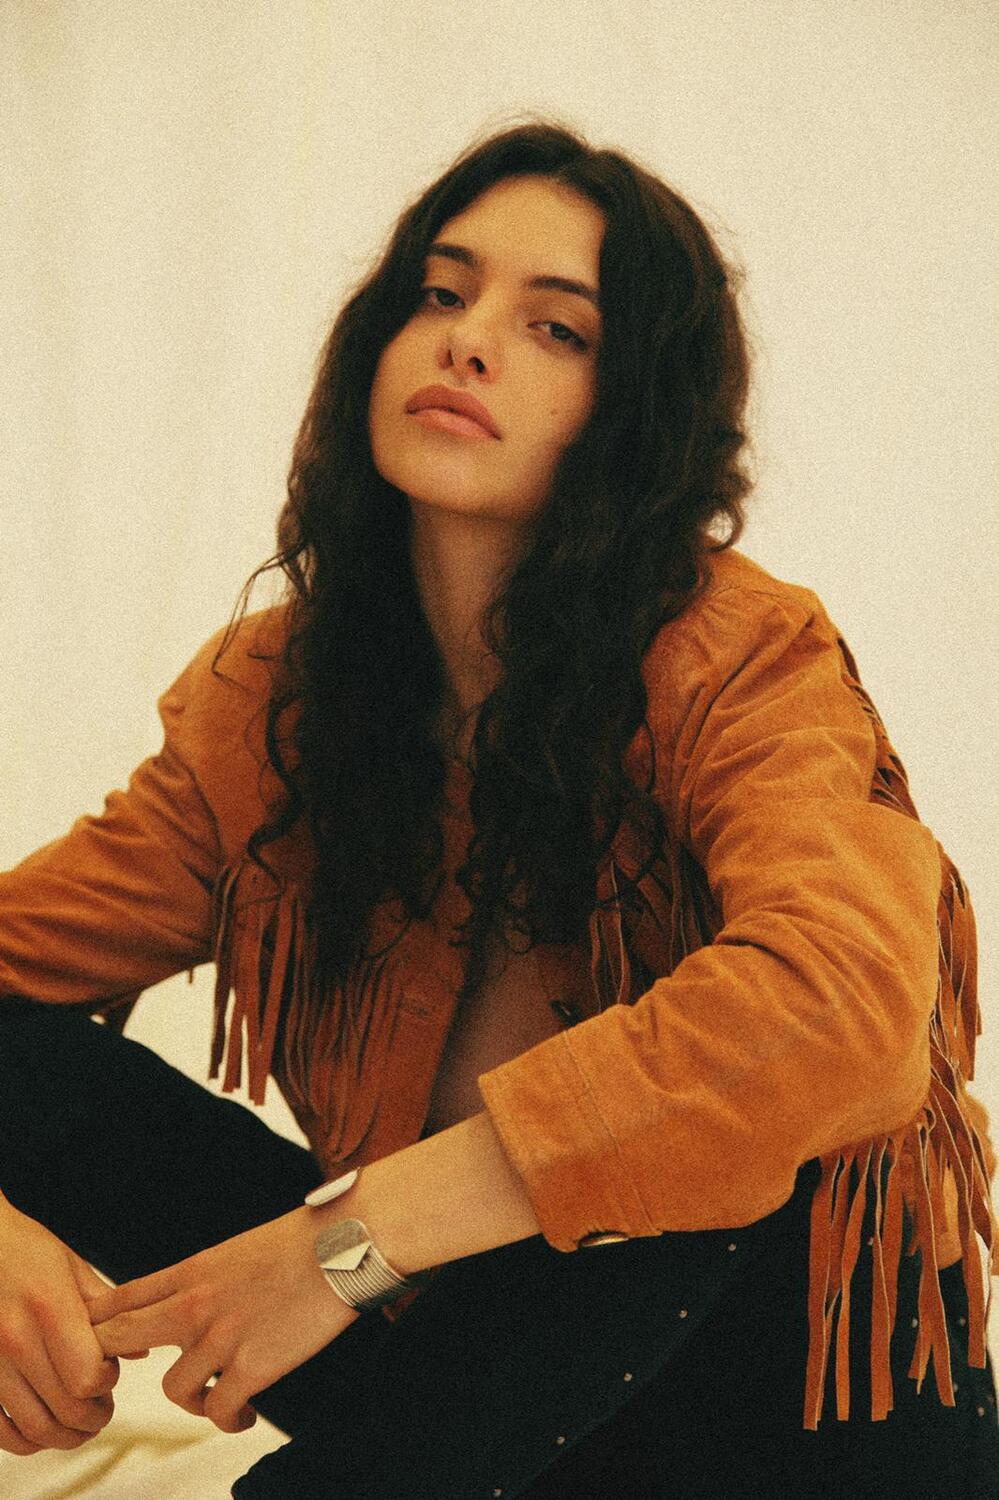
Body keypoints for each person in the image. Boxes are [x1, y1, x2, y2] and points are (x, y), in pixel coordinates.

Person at [0, 118, 996, 1499]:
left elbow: (845, 1006)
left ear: (634, 409)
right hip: (464, 1382)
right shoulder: (274, 700)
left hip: (792, 1422)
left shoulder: (742, 659)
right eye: (441, 293)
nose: (469, 342)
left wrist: (345, 1245)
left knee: (731, 1109)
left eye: (557, 329)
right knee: (28, 1067)